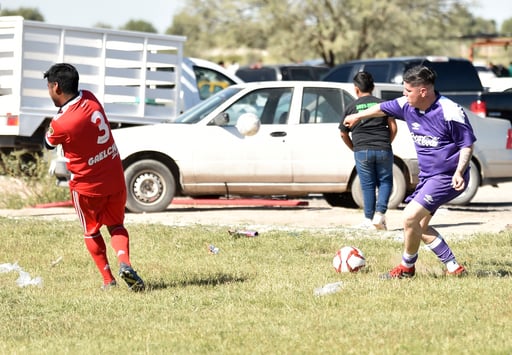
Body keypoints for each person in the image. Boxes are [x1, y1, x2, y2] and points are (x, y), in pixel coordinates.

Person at [343, 65, 476, 278]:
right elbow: (382, 108)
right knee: (419, 228)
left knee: (409, 217)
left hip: (446, 177)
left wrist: (459, 172)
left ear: (423, 91)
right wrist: (358, 117)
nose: (404, 95)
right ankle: (454, 267)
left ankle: (406, 268)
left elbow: (467, 145)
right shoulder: (407, 105)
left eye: (408, 91)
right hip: (427, 177)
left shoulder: (450, 111)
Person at [44, 63, 145, 291]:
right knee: (117, 225)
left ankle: (108, 281)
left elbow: (48, 143)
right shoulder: (90, 98)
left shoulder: (61, 123)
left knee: (91, 231)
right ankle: (125, 263)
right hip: (114, 177)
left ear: (56, 87)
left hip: (86, 187)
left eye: (49, 87)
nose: (48, 92)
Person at [339, 71, 397, 230]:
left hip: (361, 150)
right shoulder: (382, 104)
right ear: (373, 87)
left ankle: (367, 220)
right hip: (383, 148)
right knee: (385, 181)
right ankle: (379, 215)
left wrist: (354, 148)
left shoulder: (351, 107)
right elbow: (393, 127)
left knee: (367, 185)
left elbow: (343, 133)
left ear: (356, 89)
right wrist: (386, 143)